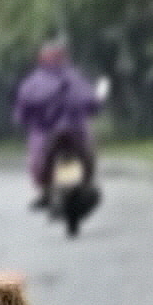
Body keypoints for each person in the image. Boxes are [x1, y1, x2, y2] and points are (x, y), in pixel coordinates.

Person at [12, 40, 99, 208]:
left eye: (57, 56)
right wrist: (23, 118)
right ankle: (46, 190)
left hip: (75, 130)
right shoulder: (33, 82)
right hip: (46, 131)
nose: (54, 59)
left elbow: (90, 99)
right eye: (50, 56)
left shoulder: (74, 78)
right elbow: (23, 105)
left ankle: (84, 184)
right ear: (42, 58)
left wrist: (93, 105)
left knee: (88, 151)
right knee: (38, 158)